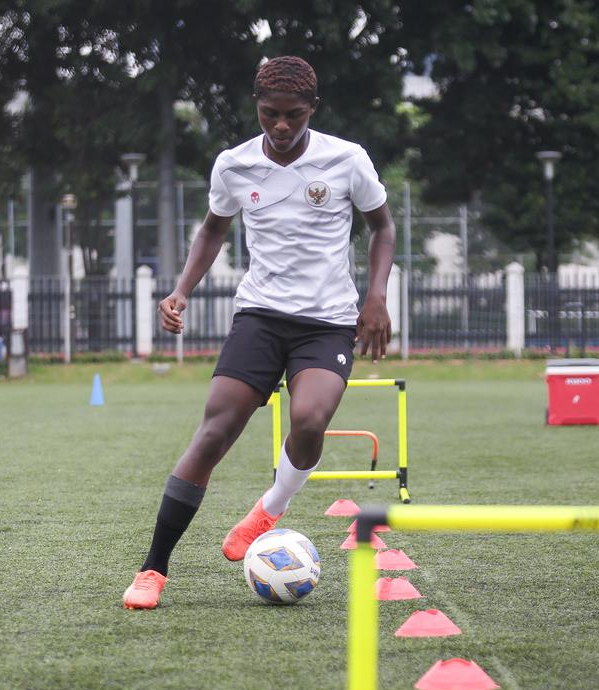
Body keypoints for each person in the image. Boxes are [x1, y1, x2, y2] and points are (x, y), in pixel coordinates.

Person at [123, 56, 396, 609]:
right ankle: (153, 569)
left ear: (311, 110)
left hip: (326, 322)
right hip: (261, 316)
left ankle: (271, 505)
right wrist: (180, 290)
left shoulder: (346, 159)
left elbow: (382, 227)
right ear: (257, 108)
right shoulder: (234, 165)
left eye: (293, 115)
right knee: (214, 431)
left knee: (310, 417)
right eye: (270, 114)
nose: (281, 126)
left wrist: (376, 297)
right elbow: (212, 231)